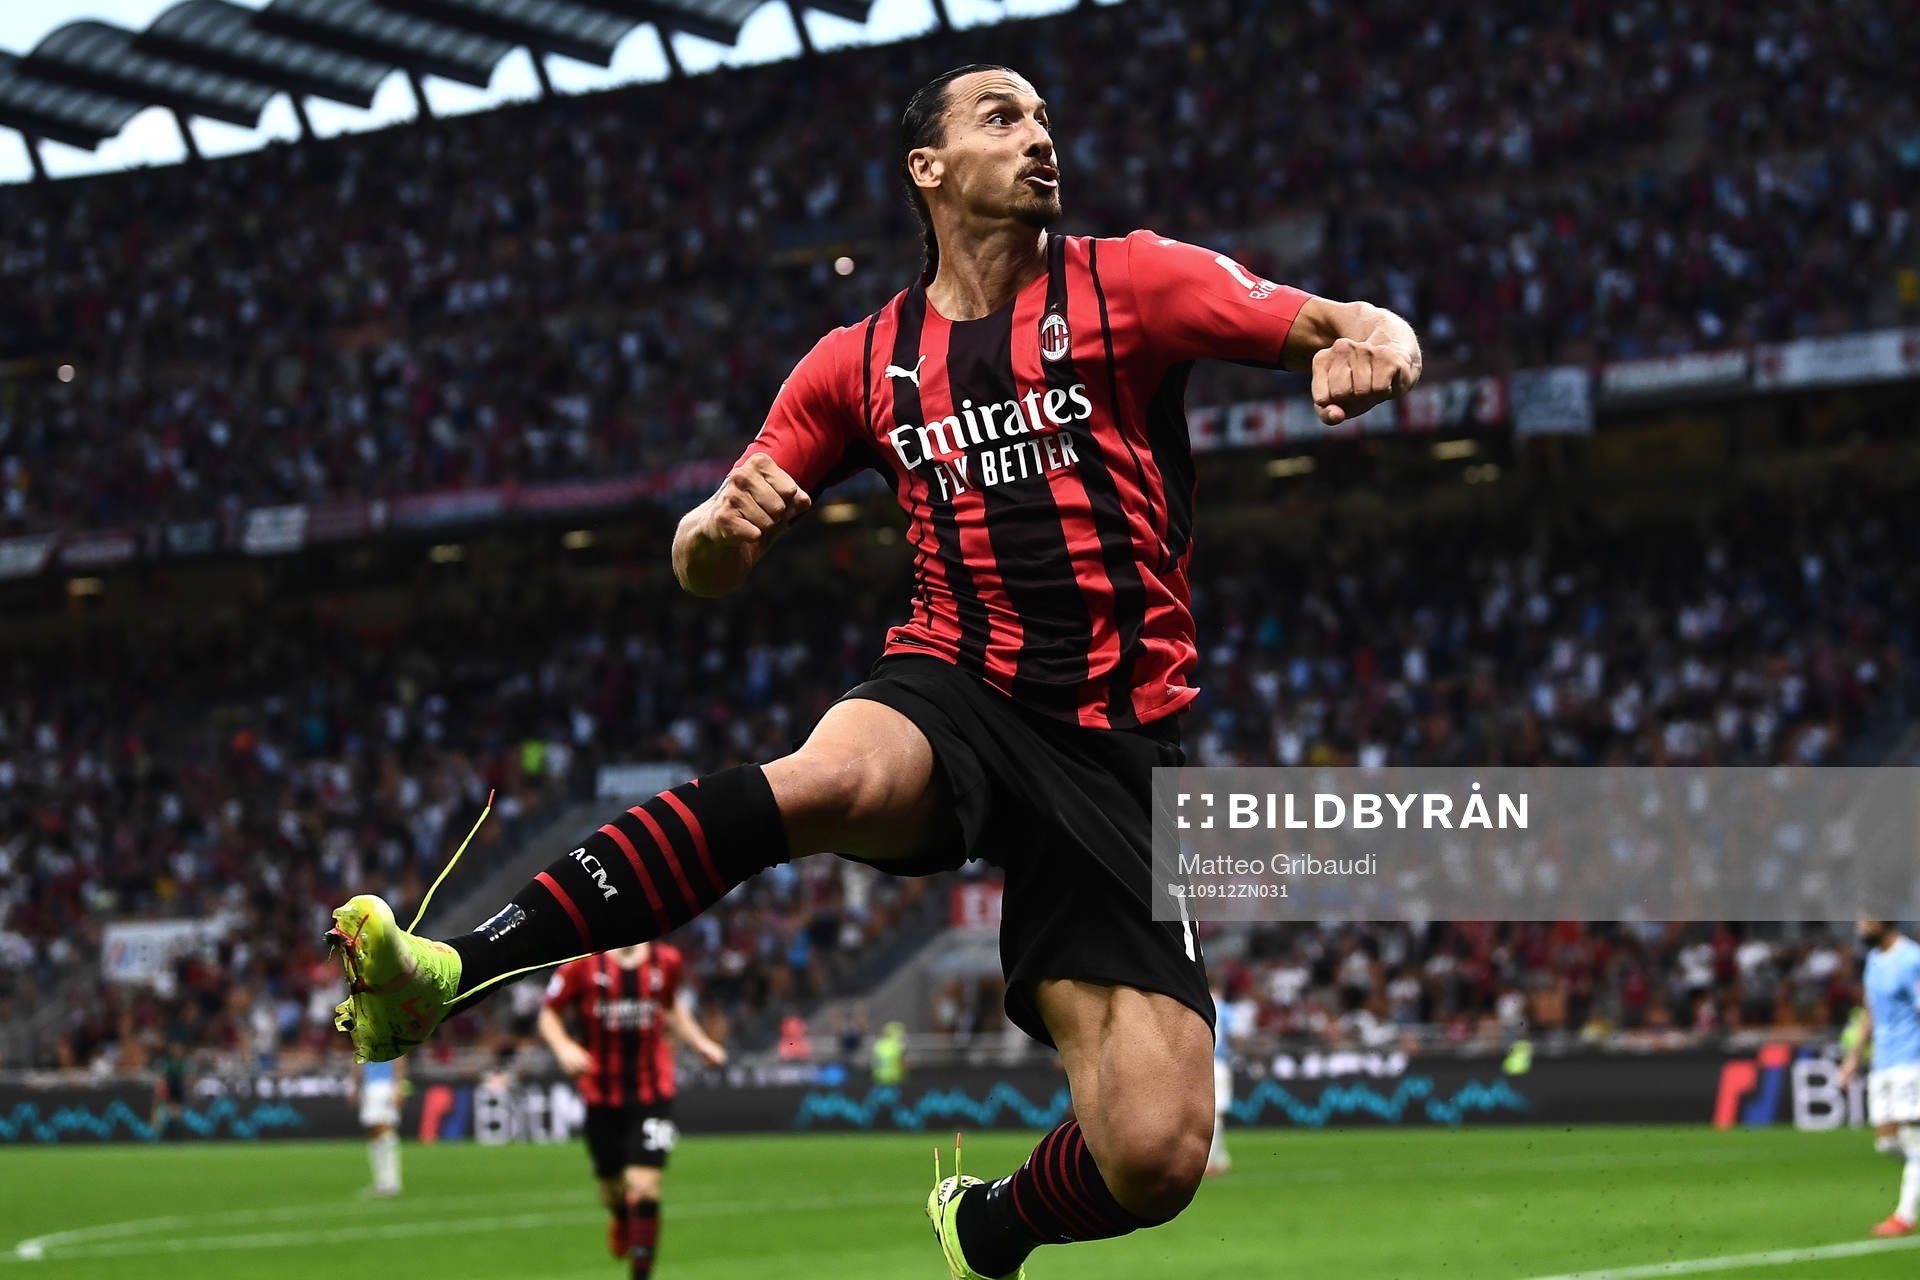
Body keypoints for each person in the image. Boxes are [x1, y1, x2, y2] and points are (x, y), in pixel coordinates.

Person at [326, 62, 1418, 1279]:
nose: (1040, 136)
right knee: (823, 781)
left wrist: (1377, 349)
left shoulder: (1136, 281)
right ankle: (448, 968)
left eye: (1046, 118)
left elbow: (1357, 322)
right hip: (953, 681)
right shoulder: (860, 360)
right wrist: (718, 532)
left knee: (1156, 1155)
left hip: (1115, 744)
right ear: (928, 169)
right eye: (1002, 118)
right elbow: (701, 556)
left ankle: (987, 1226)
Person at [536, 942, 727, 1279]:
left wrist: (701, 1043)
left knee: (644, 1185)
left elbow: (671, 1007)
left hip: (653, 1091)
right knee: (611, 1191)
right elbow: (549, 1013)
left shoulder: (667, 961)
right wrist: (563, 1046)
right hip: (601, 1094)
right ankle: (622, 1217)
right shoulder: (581, 965)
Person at [1838, 919, 1920, 1238]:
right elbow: (1870, 1011)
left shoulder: (1912, 959)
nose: (1860, 925)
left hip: (1911, 1061)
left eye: (1865, 919)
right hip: (1882, 1061)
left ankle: (1904, 1217)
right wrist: (1854, 1056)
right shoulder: (1873, 959)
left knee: (1913, 1140)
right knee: (1887, 1143)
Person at [350, 1056, 407, 1197]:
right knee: (374, 1135)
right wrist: (354, 1086)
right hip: (369, 1086)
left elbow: (400, 1059)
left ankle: (392, 1183)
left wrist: (399, 1087)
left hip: (385, 1085)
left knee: (385, 1131)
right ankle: (383, 1182)